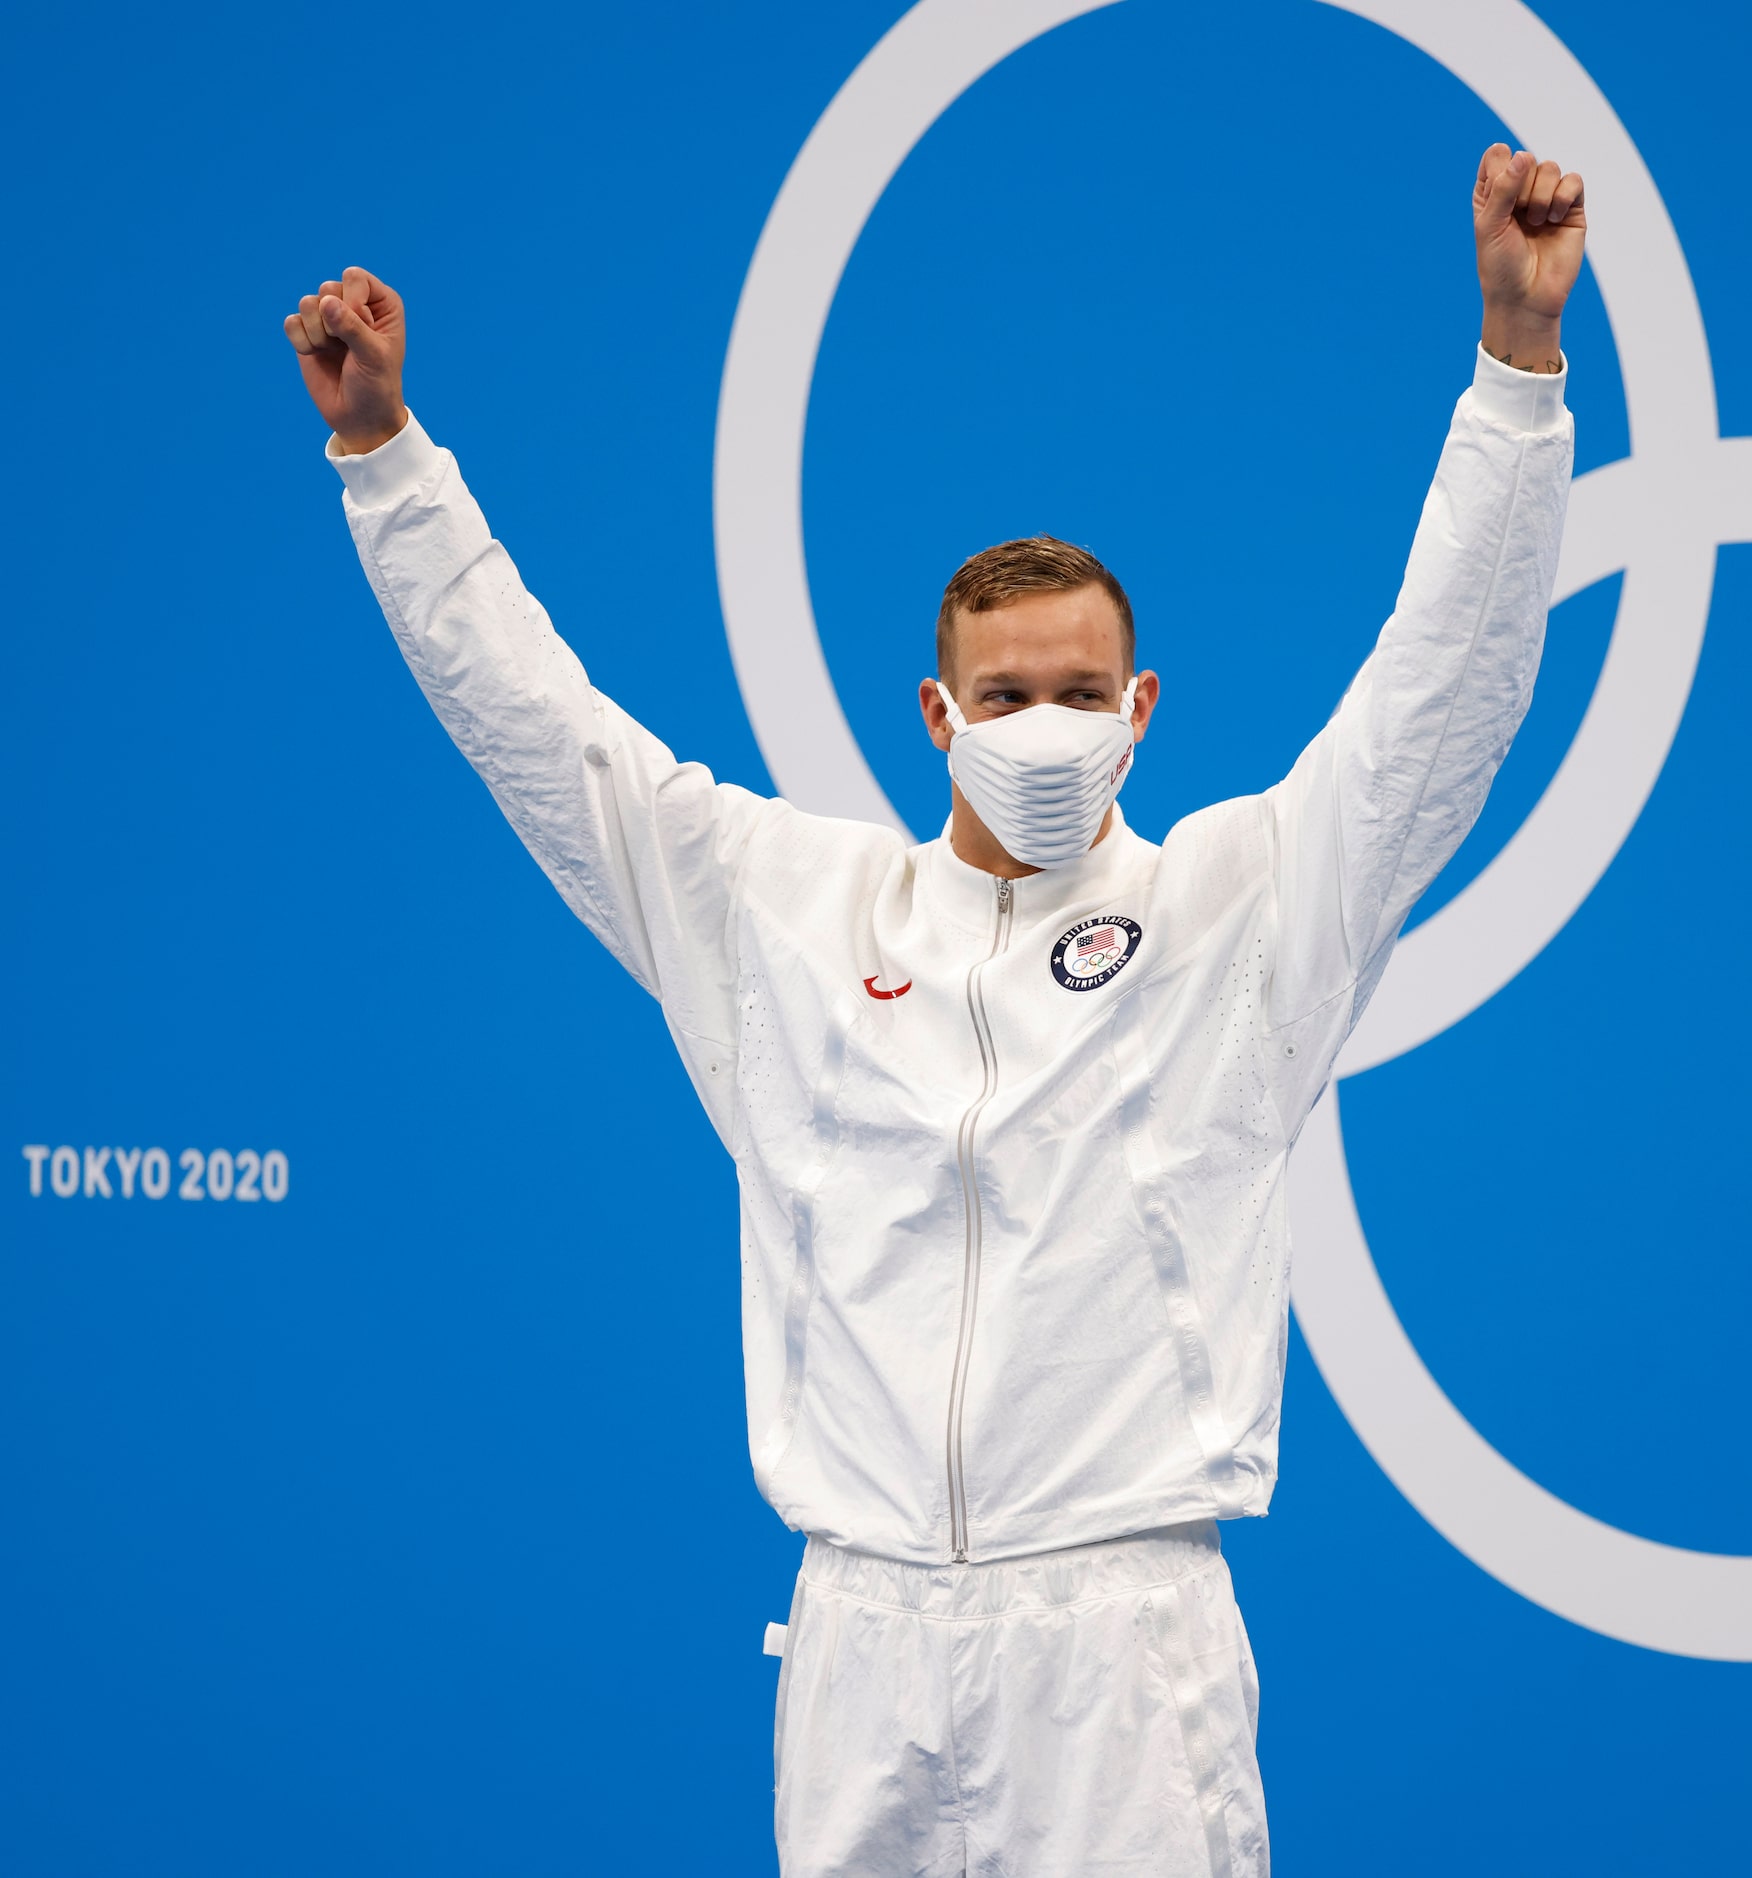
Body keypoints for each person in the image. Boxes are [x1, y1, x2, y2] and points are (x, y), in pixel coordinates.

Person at [285, 140, 1584, 1878]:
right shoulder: (791, 910)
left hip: (1116, 1648)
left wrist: (1516, 361)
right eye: (1000, 693)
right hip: (858, 1636)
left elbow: (1444, 688)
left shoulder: (1238, 908)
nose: (1037, 724)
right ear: (933, 709)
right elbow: (544, 731)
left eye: (1073, 691)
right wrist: (386, 462)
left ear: (1139, 708)